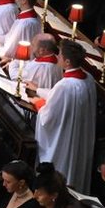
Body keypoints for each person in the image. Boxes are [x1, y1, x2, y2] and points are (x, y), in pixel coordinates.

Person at [32, 40, 96, 193]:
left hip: (64, 140)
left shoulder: (65, 85)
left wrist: (37, 102)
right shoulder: (88, 78)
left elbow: (48, 117)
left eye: (60, 56)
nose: (57, 57)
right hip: (80, 138)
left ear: (67, 61)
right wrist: (39, 90)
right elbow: (65, 100)